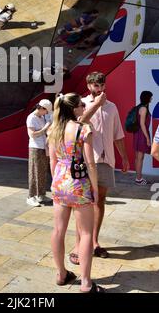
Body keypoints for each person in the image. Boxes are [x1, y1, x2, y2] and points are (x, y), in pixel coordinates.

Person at [70, 72, 130, 264]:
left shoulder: (112, 107)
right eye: (96, 85)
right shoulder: (82, 104)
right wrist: (96, 104)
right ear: (89, 86)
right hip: (87, 161)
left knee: (100, 201)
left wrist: (124, 157)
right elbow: (79, 124)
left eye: (102, 84)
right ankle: (78, 245)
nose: (100, 88)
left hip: (106, 160)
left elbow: (118, 134)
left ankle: (94, 241)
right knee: (83, 203)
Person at [48, 93, 105, 293]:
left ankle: (61, 273)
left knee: (58, 230)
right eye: (81, 104)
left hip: (59, 182)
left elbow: (52, 161)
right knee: (86, 232)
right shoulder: (83, 129)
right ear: (74, 108)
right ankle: (86, 283)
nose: (84, 106)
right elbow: (90, 162)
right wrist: (95, 189)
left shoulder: (54, 129)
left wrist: (57, 182)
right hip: (79, 184)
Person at [26, 99, 53, 207]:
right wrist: (45, 127)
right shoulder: (31, 117)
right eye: (46, 111)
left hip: (43, 147)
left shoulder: (41, 117)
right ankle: (31, 196)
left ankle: (41, 194)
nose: (46, 113)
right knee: (34, 172)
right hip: (35, 148)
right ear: (42, 108)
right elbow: (32, 134)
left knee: (42, 172)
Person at [133, 91, 153, 185]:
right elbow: (142, 124)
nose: (151, 99)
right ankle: (139, 179)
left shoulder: (139, 108)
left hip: (137, 134)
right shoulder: (144, 109)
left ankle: (138, 178)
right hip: (142, 135)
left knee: (138, 158)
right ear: (147, 98)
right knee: (140, 158)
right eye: (151, 97)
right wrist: (148, 138)